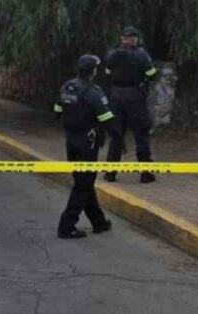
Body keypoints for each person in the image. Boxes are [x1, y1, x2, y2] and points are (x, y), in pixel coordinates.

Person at [53, 54, 113, 240]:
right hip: (87, 143)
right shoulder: (93, 92)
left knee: (84, 182)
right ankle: (66, 226)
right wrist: (120, 141)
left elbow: (57, 111)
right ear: (93, 71)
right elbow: (107, 119)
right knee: (83, 184)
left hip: (71, 141)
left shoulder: (67, 87)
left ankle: (99, 222)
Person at [102, 26, 159, 184]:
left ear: (122, 38)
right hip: (135, 97)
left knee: (116, 134)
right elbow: (152, 75)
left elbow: (107, 74)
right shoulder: (141, 55)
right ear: (135, 39)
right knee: (141, 134)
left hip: (116, 96)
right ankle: (145, 173)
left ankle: (110, 173)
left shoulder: (112, 54)